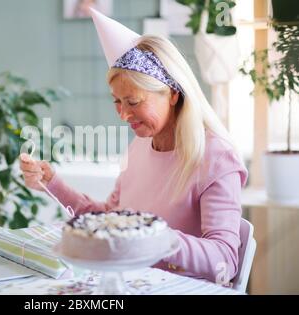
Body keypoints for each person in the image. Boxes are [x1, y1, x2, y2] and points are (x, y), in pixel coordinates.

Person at [20, 8, 248, 284]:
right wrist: (52, 183)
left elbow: (224, 260)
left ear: (173, 93)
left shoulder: (217, 158)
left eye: (133, 102)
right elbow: (110, 220)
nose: (123, 115)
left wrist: (154, 237)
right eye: (117, 101)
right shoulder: (139, 147)